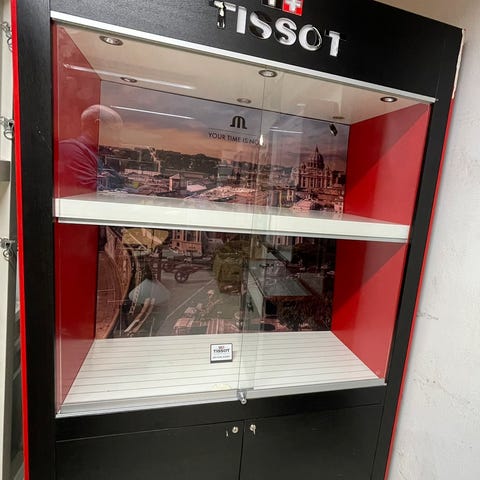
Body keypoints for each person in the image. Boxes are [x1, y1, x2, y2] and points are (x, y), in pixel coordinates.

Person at [58, 104, 124, 196]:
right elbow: (92, 190)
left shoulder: (101, 153)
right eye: (115, 131)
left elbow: (118, 184)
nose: (118, 137)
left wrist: (137, 191)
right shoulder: (71, 150)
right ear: (97, 126)